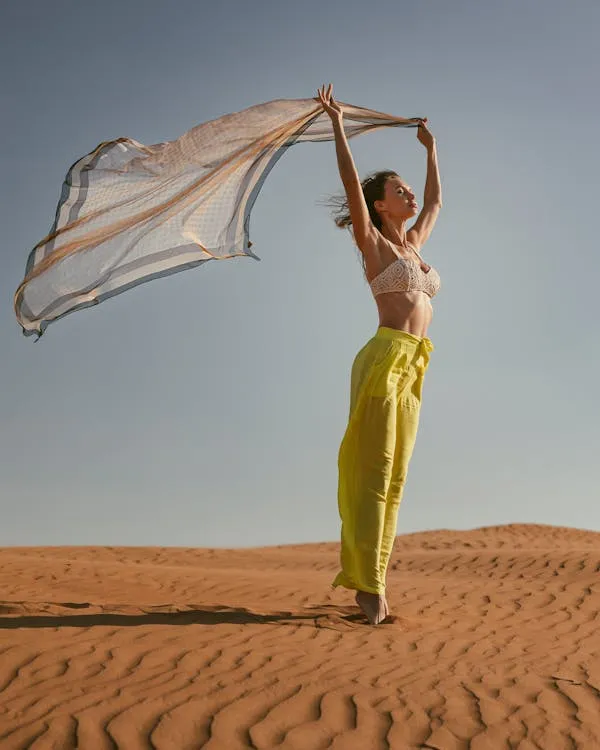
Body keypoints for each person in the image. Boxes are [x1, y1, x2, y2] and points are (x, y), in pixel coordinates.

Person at [318, 84, 443, 625]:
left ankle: (377, 588)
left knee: (397, 478)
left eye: (409, 188)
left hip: (415, 364)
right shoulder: (374, 243)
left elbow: (437, 201)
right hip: (384, 358)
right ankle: (369, 594)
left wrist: (430, 150)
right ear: (379, 203)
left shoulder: (414, 243)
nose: (411, 194)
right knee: (375, 470)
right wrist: (338, 125)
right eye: (401, 189)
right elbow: (350, 183)